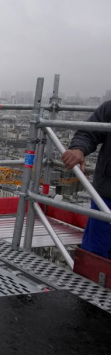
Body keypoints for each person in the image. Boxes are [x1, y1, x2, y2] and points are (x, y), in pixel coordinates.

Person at [61, 100, 111, 258]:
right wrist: (78, 149)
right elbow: (88, 132)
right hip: (107, 195)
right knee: (96, 256)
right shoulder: (109, 108)